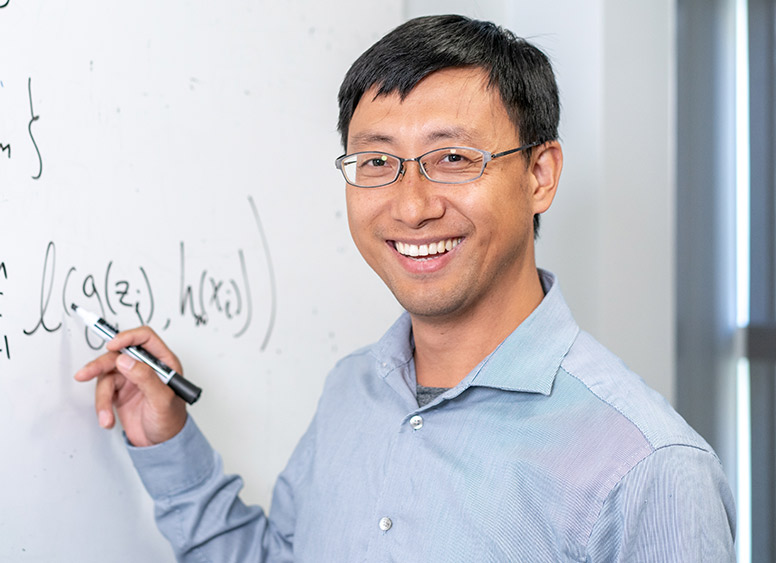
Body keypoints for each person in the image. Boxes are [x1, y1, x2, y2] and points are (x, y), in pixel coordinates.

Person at [74, 14, 736, 562]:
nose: (412, 206)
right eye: (377, 162)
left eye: (452, 158)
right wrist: (167, 440)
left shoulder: (649, 468)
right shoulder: (353, 389)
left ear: (540, 174)